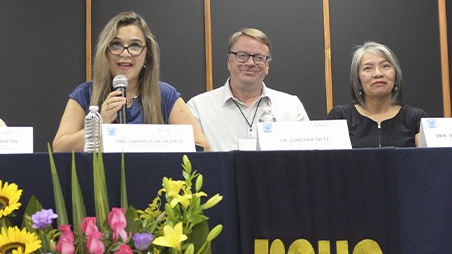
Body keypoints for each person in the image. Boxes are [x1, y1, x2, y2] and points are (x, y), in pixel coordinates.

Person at [52, 11, 209, 151]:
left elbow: (202, 146)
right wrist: (101, 124)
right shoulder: (85, 94)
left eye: (134, 45)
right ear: (105, 52)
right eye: (116, 44)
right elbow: (60, 147)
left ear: (147, 55)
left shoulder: (165, 95)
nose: (125, 53)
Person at [187, 28, 309, 151]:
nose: (250, 63)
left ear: (267, 66)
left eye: (259, 58)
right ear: (229, 62)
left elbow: (307, 158)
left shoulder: (291, 107)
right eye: (242, 56)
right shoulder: (198, 108)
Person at [327, 41, 427, 148]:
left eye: (385, 66)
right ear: (358, 80)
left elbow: (428, 161)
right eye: (368, 68)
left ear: (396, 76)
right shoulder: (340, 117)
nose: (378, 74)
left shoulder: (415, 118)